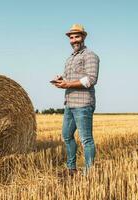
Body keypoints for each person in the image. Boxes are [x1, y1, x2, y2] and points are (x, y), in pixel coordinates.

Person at [52, 24, 100, 176]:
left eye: (77, 37)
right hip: (69, 103)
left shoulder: (90, 55)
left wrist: (67, 84)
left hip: (83, 103)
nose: (74, 40)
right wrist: (61, 79)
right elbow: (71, 78)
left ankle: (89, 172)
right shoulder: (69, 59)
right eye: (71, 37)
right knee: (66, 136)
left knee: (86, 140)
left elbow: (90, 80)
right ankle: (71, 168)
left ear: (83, 37)